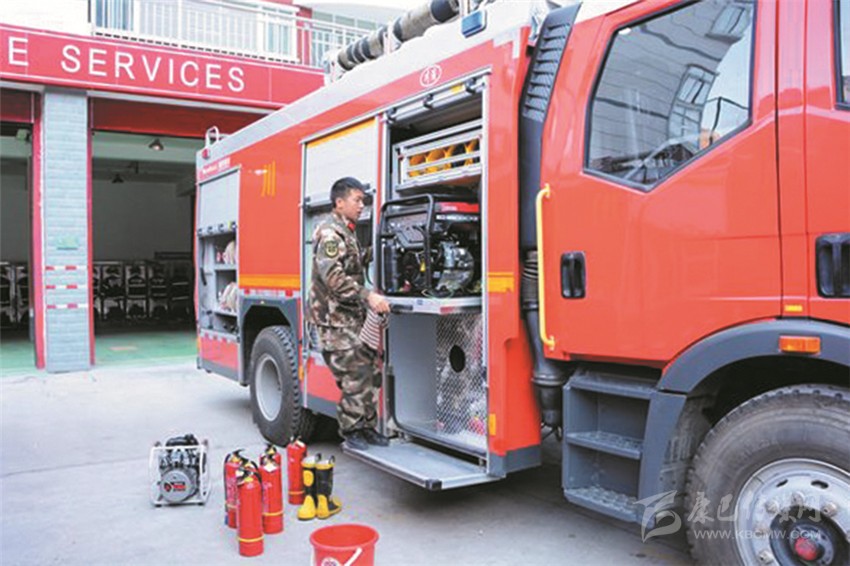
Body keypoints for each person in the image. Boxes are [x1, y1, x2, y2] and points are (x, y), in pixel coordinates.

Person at [308, 177, 391, 451]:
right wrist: (369, 296)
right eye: (357, 200)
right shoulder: (330, 234)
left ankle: (366, 427)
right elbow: (333, 278)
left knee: (371, 371)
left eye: (363, 200)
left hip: (351, 318)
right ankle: (352, 430)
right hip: (334, 321)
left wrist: (378, 251)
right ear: (339, 202)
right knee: (354, 373)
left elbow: (352, 262)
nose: (362, 205)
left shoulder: (346, 231)